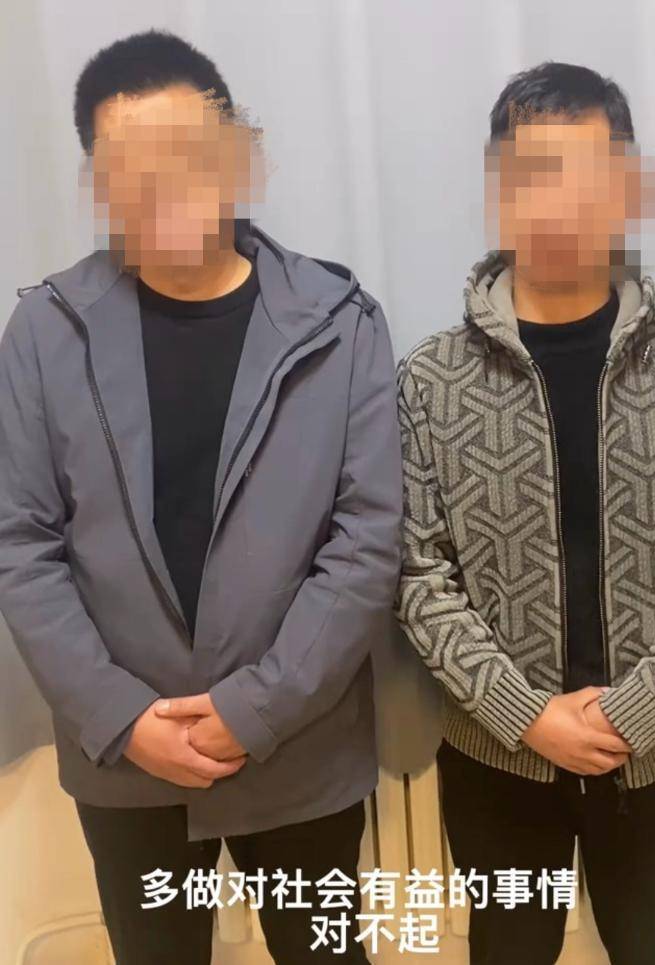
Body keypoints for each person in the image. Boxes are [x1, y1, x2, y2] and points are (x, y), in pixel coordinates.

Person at [0, 29, 402, 965]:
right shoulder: (47, 330)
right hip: (125, 759)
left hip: (299, 749)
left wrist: (258, 708)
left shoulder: (339, 323)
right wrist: (120, 716)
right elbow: (22, 542)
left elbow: (367, 540)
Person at [395, 61, 655, 964]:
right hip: (498, 761)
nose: (557, 204)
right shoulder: (430, 382)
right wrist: (527, 714)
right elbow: (417, 574)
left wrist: (640, 707)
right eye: (531, 175)